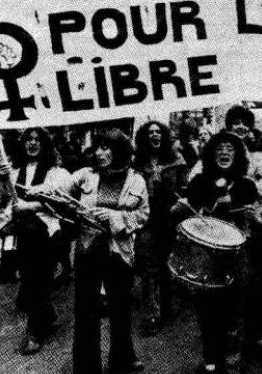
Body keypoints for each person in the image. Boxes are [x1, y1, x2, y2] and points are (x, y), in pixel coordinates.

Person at [172, 131, 259, 374]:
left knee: (236, 306)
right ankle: (210, 355)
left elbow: (253, 224)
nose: (224, 152)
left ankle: (232, 359)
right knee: (207, 306)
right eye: (219, 148)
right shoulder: (200, 181)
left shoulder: (246, 184)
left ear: (238, 155)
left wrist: (252, 216)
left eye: (230, 149)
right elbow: (186, 216)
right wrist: (182, 208)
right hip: (207, 254)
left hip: (237, 253)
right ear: (211, 154)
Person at [70, 128, 148, 374]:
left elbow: (143, 215)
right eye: (97, 147)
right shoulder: (85, 175)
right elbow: (59, 188)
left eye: (106, 148)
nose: (100, 153)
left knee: (120, 309)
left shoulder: (136, 180)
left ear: (119, 150)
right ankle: (86, 367)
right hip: (87, 250)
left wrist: (115, 216)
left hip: (118, 252)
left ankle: (122, 359)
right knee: (85, 311)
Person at [0, 128, 71, 355]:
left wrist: (30, 206)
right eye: (29, 139)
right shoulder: (14, 170)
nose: (33, 143)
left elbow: (60, 202)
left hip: (46, 231)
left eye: (38, 139)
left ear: (45, 144)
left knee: (37, 279)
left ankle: (35, 332)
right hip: (22, 233)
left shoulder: (55, 172)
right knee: (31, 278)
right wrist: (3, 179)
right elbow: (1, 200)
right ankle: (47, 315)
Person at [132, 121, 187, 336]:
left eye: (158, 132)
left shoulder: (177, 160)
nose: (154, 135)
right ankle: (151, 314)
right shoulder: (137, 163)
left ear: (163, 136)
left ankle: (165, 305)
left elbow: (184, 189)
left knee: (166, 264)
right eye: (150, 132)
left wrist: (180, 206)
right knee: (148, 265)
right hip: (147, 218)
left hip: (169, 218)